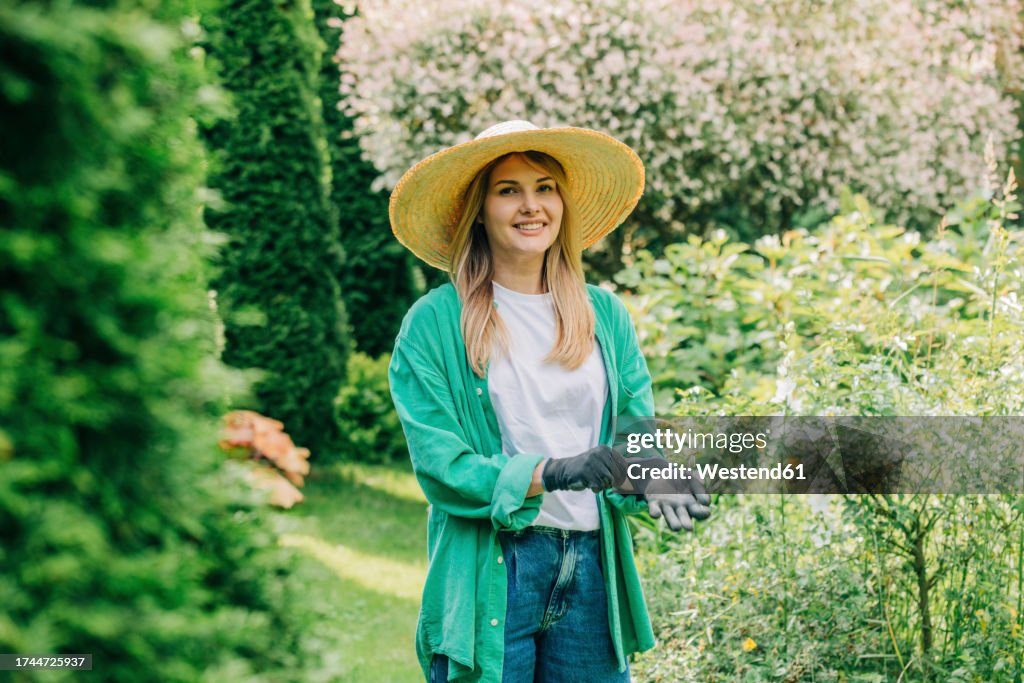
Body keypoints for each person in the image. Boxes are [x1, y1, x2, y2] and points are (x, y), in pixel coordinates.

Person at [387, 120, 711, 683]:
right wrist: (554, 472)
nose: (530, 205)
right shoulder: (434, 324)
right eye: (508, 190)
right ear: (479, 210)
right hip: (496, 567)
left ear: (562, 204)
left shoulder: (603, 315)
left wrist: (652, 476)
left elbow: (634, 437)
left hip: (590, 569)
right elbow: (444, 468)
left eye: (545, 187)